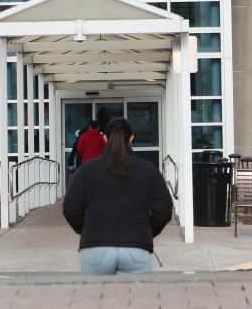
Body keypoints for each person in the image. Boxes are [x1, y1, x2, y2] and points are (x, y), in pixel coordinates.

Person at [62, 117, 172, 275]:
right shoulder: (148, 170)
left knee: (95, 298)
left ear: (105, 138)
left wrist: (89, 229)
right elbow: (164, 210)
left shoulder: (87, 170)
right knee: (134, 299)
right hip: (137, 246)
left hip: (95, 247)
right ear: (132, 137)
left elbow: (70, 208)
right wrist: (145, 231)